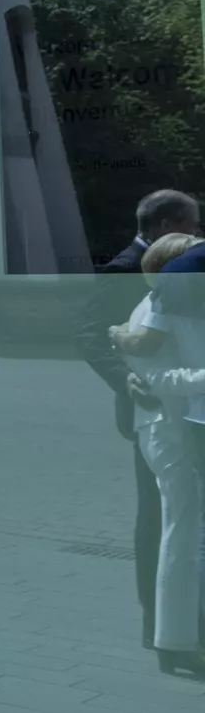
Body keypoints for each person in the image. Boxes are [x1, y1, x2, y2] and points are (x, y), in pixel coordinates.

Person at [75, 189, 199, 651]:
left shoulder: (178, 272)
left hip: (179, 406)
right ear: (169, 226)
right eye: (194, 224)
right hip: (154, 409)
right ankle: (157, 620)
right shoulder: (126, 268)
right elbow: (88, 332)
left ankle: (178, 619)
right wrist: (125, 380)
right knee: (159, 516)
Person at [109, 232, 205, 676]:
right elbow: (161, 380)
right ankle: (173, 640)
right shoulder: (151, 311)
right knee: (181, 531)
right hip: (168, 430)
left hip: (182, 428)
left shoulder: (182, 308)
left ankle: (182, 635)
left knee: (188, 533)